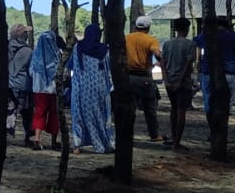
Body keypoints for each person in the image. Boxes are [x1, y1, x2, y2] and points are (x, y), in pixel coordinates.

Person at [67, 24, 114, 154]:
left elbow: (71, 66)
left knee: (80, 115)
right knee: (101, 116)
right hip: (100, 89)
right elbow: (109, 69)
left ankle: (77, 145)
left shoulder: (78, 48)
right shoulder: (104, 50)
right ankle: (104, 144)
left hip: (82, 88)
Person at [161, 18, 198, 152]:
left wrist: (166, 80)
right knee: (181, 111)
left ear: (176, 29)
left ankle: (174, 138)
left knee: (174, 109)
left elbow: (163, 63)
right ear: (187, 29)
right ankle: (177, 143)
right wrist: (180, 81)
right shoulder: (190, 44)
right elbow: (187, 65)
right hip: (183, 83)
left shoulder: (167, 44)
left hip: (169, 81)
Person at [124, 15, 163, 142]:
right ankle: (154, 135)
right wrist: (161, 61)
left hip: (128, 77)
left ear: (136, 26)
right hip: (144, 78)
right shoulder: (151, 40)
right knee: (150, 108)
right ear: (148, 27)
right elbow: (157, 53)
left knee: (129, 108)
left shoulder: (126, 38)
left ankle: (127, 135)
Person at [195, 19, 235, 113]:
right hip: (228, 73)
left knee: (208, 100)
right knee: (228, 103)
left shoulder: (206, 36)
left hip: (208, 72)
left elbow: (197, 43)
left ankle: (210, 116)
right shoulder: (234, 37)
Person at [28, 30, 62, 150]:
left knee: (39, 113)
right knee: (54, 114)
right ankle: (54, 141)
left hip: (39, 89)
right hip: (54, 90)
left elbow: (31, 72)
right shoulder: (57, 55)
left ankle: (37, 139)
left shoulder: (35, 56)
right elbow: (62, 73)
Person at [7, 24, 35, 145]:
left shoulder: (6, 48)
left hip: (9, 84)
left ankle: (7, 134)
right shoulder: (28, 51)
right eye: (25, 33)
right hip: (24, 85)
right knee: (27, 112)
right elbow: (32, 69)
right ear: (21, 35)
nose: (27, 35)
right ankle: (29, 136)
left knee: (10, 110)